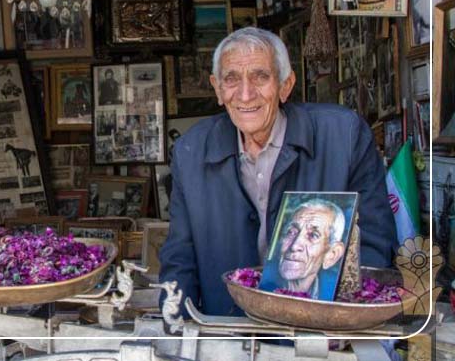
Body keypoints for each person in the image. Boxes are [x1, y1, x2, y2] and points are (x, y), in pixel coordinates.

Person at [158, 27, 396, 317]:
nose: (245, 94)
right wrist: (177, 335)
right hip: (228, 330)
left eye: (261, 76)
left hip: (319, 330)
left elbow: (373, 244)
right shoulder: (190, 151)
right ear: (218, 89)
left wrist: (348, 324)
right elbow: (180, 258)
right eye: (231, 79)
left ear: (286, 85)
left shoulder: (344, 137)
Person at [268, 200, 346, 298]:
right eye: (291, 232)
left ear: (332, 255)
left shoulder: (338, 294)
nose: (294, 246)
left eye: (313, 235)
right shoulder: (259, 283)